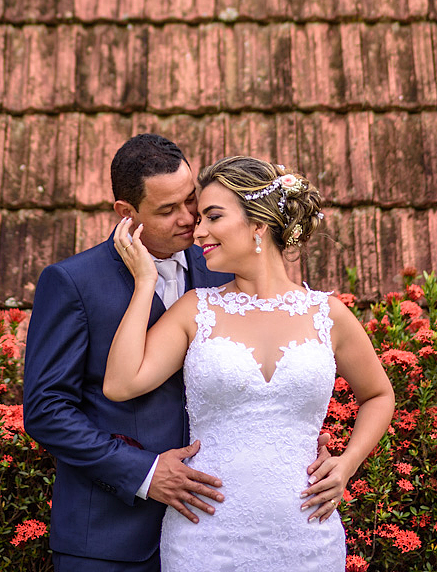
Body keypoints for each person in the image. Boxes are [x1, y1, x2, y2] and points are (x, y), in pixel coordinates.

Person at [23, 135, 332, 572]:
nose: (190, 219)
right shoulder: (73, 283)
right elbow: (46, 410)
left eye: (191, 200)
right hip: (110, 538)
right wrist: (146, 473)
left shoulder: (224, 265)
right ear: (126, 214)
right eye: (168, 210)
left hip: (221, 525)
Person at [104, 155, 396, 572]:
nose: (198, 229)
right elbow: (120, 383)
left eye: (213, 216)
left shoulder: (328, 315)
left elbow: (379, 395)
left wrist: (346, 465)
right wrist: (145, 282)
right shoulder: (194, 309)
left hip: (306, 535)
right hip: (206, 537)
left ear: (258, 223)